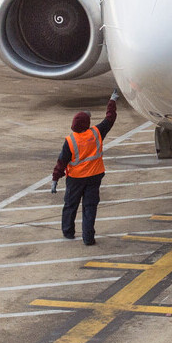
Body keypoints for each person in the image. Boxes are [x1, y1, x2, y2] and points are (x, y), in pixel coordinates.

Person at [51, 91, 118, 245]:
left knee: (70, 205)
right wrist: (112, 101)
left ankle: (68, 232)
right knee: (90, 207)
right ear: (86, 124)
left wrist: (55, 179)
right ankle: (88, 238)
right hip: (94, 177)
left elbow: (62, 161)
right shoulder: (96, 132)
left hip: (75, 179)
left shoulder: (70, 140)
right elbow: (110, 118)